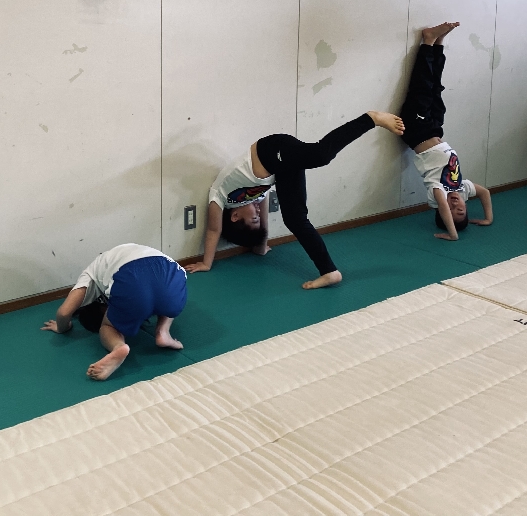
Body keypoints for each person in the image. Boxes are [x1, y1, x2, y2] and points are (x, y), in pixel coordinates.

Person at [185, 111, 405, 289]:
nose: (259, 214)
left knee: (321, 155)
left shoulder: (219, 196)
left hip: (271, 149)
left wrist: (206, 263)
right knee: (294, 219)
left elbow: (213, 230)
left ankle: (371, 118)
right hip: (279, 169)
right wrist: (261, 245)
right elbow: (263, 200)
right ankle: (329, 271)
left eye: (254, 219)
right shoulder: (252, 200)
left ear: (234, 216)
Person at [398, 22, 493, 241]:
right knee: (435, 88)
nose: (456, 206)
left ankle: (428, 40)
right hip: (435, 129)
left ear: (442, 212)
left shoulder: (436, 192)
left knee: (422, 87)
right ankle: (439, 42)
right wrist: (488, 218)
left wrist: (453, 234)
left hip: (416, 130)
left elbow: (442, 205)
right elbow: (485, 193)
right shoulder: (463, 189)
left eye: (452, 212)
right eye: (462, 210)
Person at [41, 243, 186, 381]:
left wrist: (62, 328)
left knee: (107, 326)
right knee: (163, 296)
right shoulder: (106, 261)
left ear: (98, 302)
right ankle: (163, 332)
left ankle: (118, 346)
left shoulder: (91, 274)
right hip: (172, 273)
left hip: (132, 280)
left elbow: (64, 313)